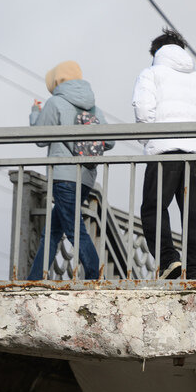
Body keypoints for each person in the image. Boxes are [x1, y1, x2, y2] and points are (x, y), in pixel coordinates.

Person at [131, 29, 196, 280]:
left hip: (163, 151)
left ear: (156, 53)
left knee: (153, 207)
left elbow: (143, 110)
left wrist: (150, 139)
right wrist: (195, 140)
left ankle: (168, 259)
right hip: (193, 155)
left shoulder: (150, 74)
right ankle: (194, 270)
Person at [27, 60, 113, 280]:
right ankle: (35, 278)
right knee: (53, 231)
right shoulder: (94, 108)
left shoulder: (55, 103)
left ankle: (95, 277)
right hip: (86, 178)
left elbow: (39, 138)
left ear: (57, 81)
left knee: (75, 231)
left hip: (64, 176)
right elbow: (110, 141)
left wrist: (35, 113)